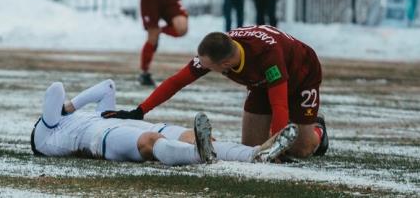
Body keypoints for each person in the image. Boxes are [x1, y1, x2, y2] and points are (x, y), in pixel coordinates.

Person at [104, 26, 329, 159]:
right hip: (261, 82)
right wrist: (139, 110)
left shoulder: (267, 56)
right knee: (252, 147)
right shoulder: (222, 49)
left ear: (225, 65)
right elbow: (176, 82)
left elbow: (280, 104)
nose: (203, 69)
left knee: (300, 149)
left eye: (209, 67)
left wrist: (279, 148)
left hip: (301, 73)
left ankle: (319, 130)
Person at [30, 79, 299, 165]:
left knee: (189, 135)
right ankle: (198, 156)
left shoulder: (73, 117)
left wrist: (73, 107)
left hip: (117, 124)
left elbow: (108, 87)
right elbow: (55, 89)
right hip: (99, 139)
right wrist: (70, 107)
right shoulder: (45, 136)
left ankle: (254, 154)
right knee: (151, 143)